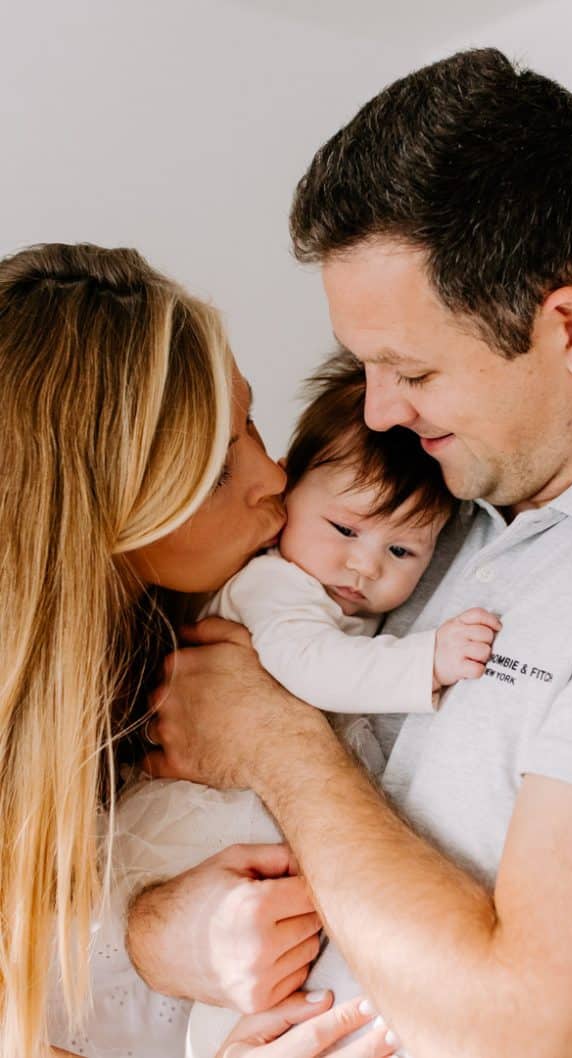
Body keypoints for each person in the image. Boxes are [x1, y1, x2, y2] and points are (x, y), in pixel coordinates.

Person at [136, 48, 572, 1058]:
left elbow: (536, 1029)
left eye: (413, 368)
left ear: (568, 327)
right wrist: (166, 925)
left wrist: (270, 736)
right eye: (365, 366)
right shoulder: (447, 488)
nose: (381, 409)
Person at [0, 241, 398, 1058]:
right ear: (100, 510)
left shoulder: (246, 602)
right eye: (217, 468)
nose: (274, 477)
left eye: (250, 420)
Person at [68, 354, 497, 1058]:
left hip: (241, 836)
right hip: (200, 827)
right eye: (345, 531)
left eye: (401, 550)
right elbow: (312, 667)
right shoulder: (275, 587)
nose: (365, 566)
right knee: (233, 991)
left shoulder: (329, 589)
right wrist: (426, 662)